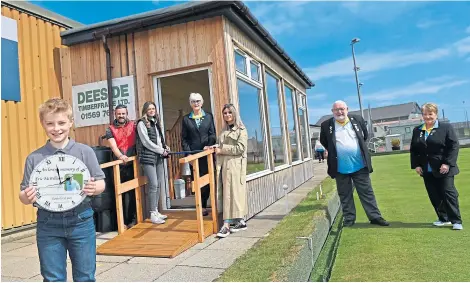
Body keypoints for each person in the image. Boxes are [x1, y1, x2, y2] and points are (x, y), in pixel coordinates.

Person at [19, 98, 106, 282]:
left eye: (61, 123)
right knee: (52, 278)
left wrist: (94, 187)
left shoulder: (85, 152)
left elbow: (101, 183)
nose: (56, 128)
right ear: (42, 124)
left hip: (81, 221)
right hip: (48, 224)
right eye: (50, 123)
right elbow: (23, 194)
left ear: (71, 122)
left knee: (85, 277)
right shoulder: (34, 158)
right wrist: (26, 197)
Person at [320, 100, 389, 227]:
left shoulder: (357, 119)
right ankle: (349, 219)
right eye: (336, 110)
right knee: (345, 194)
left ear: (347, 109)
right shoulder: (326, 125)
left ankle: (375, 217)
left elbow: (364, 136)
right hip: (340, 168)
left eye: (342, 109)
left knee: (367, 193)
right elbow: (325, 142)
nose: (339, 112)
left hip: (359, 165)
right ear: (332, 111)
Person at [410, 103, 463, 230]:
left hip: (444, 167)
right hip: (426, 168)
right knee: (434, 194)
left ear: (436, 114)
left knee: (448, 193)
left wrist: (447, 163)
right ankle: (443, 218)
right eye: (425, 114)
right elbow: (414, 149)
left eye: (430, 114)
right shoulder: (417, 130)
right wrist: (416, 165)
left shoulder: (446, 127)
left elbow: (453, 146)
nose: (427, 117)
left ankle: (456, 220)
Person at [213, 104, 248, 238]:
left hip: (234, 166)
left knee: (232, 194)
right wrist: (214, 147)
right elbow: (221, 144)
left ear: (234, 114)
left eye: (229, 113)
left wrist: (222, 150)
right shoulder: (224, 130)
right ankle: (239, 221)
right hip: (223, 166)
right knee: (227, 194)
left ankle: (226, 225)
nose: (227, 115)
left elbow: (240, 148)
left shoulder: (241, 130)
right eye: (225, 113)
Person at [181, 93, 216, 216]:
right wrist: (188, 155)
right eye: (193, 101)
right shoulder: (186, 119)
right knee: (197, 181)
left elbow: (212, 134)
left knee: (208, 181)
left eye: (198, 101)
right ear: (190, 103)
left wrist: (209, 145)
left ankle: (207, 204)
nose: (196, 103)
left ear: (202, 102)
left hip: (207, 154)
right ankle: (201, 206)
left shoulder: (209, 117)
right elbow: (184, 139)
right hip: (194, 156)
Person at [104, 104, 137, 228]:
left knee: (133, 193)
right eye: (119, 114)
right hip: (118, 165)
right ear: (115, 114)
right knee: (119, 194)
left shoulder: (134, 125)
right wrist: (120, 156)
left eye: (123, 113)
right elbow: (113, 146)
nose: (121, 116)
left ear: (126, 113)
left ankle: (133, 220)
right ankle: (121, 222)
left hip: (132, 164)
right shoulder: (110, 129)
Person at [136, 101, 169, 224]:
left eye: (153, 108)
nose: (151, 110)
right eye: (149, 109)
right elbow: (146, 142)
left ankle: (156, 211)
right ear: (145, 110)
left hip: (158, 156)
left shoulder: (155, 122)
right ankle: (152, 213)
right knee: (153, 184)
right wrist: (161, 150)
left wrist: (165, 147)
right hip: (148, 157)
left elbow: (159, 140)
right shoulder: (141, 123)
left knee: (159, 184)